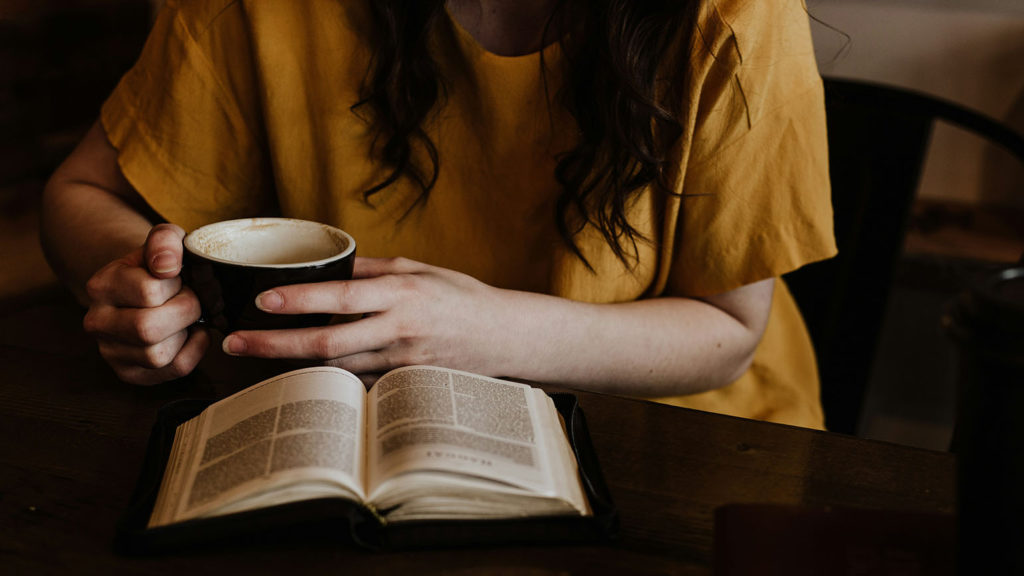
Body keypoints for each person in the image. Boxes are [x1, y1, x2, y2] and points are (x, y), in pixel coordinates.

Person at [40, 0, 836, 428]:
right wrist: (140, 284)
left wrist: (481, 334)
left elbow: (729, 333)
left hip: (672, 437)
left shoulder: (737, 14)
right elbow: (80, 196)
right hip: (332, 429)